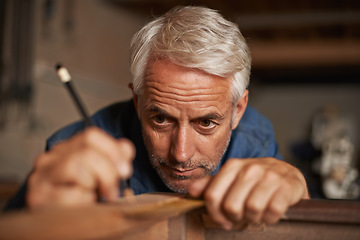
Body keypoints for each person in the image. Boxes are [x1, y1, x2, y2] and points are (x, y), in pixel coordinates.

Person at [5, 6, 309, 229]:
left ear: (238, 111)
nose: (180, 153)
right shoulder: (72, 148)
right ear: (137, 103)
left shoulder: (254, 140)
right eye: (161, 120)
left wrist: (297, 184)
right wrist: (32, 217)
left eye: (206, 123)